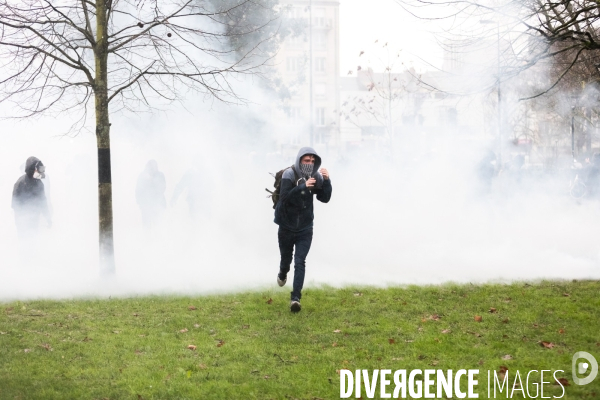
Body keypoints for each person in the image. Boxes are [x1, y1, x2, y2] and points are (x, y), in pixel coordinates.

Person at [274, 147, 332, 313]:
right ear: (299, 160)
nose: (310, 164)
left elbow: (325, 198)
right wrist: (302, 187)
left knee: (300, 261)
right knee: (286, 259)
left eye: (313, 161)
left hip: (305, 228)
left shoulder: (316, 176)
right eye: (306, 161)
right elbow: (284, 198)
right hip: (286, 226)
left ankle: (295, 298)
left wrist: (327, 181)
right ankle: (283, 272)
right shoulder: (289, 175)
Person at [12, 156, 52, 238]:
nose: (40, 172)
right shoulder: (20, 183)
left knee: (33, 242)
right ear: (32, 169)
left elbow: (43, 201)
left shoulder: (39, 183)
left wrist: (47, 217)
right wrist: (22, 218)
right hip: (22, 222)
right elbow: (15, 204)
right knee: (24, 242)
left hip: (34, 221)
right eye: (38, 169)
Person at [135, 160, 167, 228]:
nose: (152, 169)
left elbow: (163, 188)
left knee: (158, 226)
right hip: (146, 206)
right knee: (147, 227)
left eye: (154, 167)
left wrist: (152, 181)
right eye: (150, 167)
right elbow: (138, 190)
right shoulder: (142, 176)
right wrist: (140, 203)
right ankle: (148, 238)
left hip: (158, 205)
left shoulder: (160, 175)